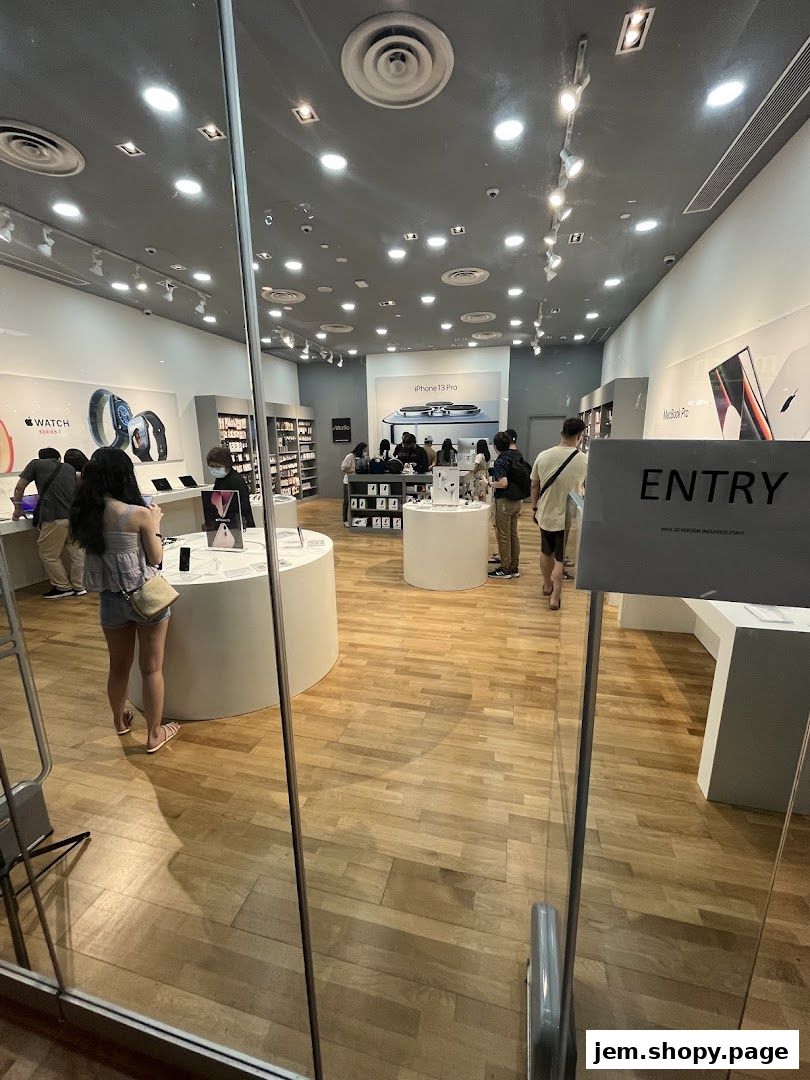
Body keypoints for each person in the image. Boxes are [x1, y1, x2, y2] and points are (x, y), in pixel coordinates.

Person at [70, 448, 179, 753]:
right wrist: (155, 522)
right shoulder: (137, 513)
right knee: (151, 667)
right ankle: (154, 734)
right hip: (144, 599)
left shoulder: (84, 515)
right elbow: (156, 559)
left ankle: (120, 722)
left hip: (109, 601)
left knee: (118, 667)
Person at [11, 447, 85, 599]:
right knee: (77, 551)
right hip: (72, 516)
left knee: (48, 554)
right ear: (58, 458)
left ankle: (63, 587)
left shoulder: (35, 464)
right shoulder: (69, 468)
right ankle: (80, 585)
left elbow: (20, 486)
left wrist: (18, 507)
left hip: (53, 516)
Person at [530, 417, 587, 610]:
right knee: (561, 557)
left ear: (561, 432)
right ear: (579, 436)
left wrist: (535, 507)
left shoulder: (543, 456)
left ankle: (547, 584)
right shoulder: (584, 460)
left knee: (546, 551)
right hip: (569, 517)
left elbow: (535, 485)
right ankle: (555, 596)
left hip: (545, 513)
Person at [488, 431, 531, 580]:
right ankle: (514, 567)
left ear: (495, 446)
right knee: (513, 535)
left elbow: (503, 483)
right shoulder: (516, 455)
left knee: (504, 535)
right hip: (517, 500)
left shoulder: (500, 461)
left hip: (504, 501)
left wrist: (489, 483)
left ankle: (505, 568)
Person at [206, 446, 255, 529]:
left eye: (217, 467)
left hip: (239, 524)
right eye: (211, 467)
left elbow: (243, 507)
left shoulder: (236, 481)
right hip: (225, 522)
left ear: (227, 465)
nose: (214, 470)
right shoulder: (220, 479)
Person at [341, 441, 368, 524]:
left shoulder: (362, 457)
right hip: (348, 482)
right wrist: (353, 471)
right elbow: (343, 468)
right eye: (364, 450)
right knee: (346, 501)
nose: (365, 452)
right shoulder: (350, 456)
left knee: (356, 500)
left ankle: (356, 518)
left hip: (357, 481)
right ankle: (345, 520)